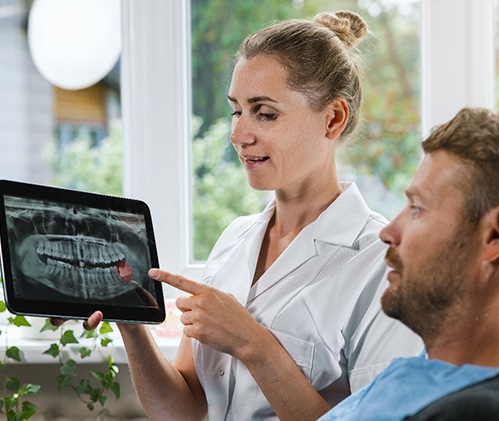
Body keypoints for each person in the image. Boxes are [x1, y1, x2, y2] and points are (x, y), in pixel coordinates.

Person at [54, 10, 423, 420]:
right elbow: (186, 410)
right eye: (236, 111)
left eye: (264, 113)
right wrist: (132, 322)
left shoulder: (381, 263)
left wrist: (254, 345)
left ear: (333, 118)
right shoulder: (235, 239)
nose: (238, 134)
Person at [318, 107, 499, 420]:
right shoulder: (420, 386)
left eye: (417, 208)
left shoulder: (488, 414)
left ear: (498, 233)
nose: (388, 233)